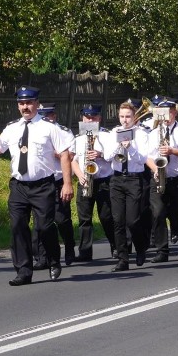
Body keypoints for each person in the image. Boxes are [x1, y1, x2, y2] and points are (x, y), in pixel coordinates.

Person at [0, 86, 73, 286]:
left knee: (44, 227)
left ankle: (53, 259)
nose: (25, 107)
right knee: (17, 227)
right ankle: (23, 271)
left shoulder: (49, 128)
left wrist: (67, 183)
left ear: (37, 104)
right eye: (22, 103)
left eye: (29, 103)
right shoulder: (12, 128)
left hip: (43, 186)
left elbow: (65, 154)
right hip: (19, 186)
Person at [106, 101, 153, 272]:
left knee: (133, 220)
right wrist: (119, 145)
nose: (125, 120)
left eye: (128, 116)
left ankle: (141, 247)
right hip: (117, 179)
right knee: (118, 221)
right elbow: (106, 156)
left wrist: (130, 147)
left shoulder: (140, 134)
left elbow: (142, 159)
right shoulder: (114, 132)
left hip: (134, 179)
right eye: (122, 116)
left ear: (134, 117)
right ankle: (122, 259)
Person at [145, 98, 178, 263]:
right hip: (158, 178)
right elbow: (148, 157)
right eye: (162, 112)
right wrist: (155, 170)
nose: (165, 116)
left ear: (175, 112)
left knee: (177, 215)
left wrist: (173, 151)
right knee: (158, 213)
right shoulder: (153, 133)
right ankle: (162, 250)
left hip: (177, 179)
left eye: (169, 112)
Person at [70, 104, 116, 262]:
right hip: (85, 180)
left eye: (93, 117)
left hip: (104, 181)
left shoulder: (107, 136)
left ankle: (116, 247)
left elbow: (113, 157)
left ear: (99, 118)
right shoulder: (78, 138)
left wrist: (99, 154)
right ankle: (85, 252)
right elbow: (73, 161)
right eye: (87, 117)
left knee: (107, 217)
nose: (90, 119)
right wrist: (80, 176)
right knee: (84, 218)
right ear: (82, 118)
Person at [32, 103, 76, 268]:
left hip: (58, 181)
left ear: (54, 116)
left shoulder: (63, 132)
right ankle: (42, 257)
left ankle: (70, 247)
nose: (45, 118)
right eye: (42, 114)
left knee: (62, 219)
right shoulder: (35, 131)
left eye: (48, 115)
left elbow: (69, 155)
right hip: (41, 182)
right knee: (40, 222)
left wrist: (55, 152)